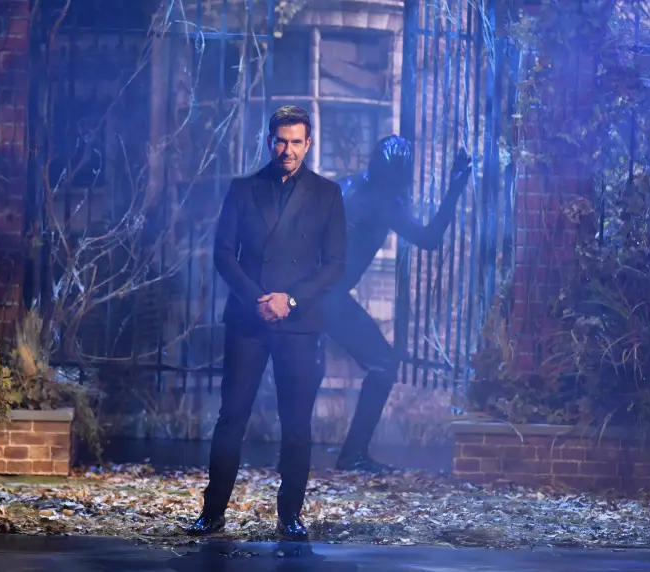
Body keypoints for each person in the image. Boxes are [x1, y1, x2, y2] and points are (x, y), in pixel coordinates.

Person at [187, 106, 346, 541]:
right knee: (231, 417)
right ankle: (212, 513)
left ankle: (290, 515)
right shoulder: (243, 189)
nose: (287, 150)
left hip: (299, 322)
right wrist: (256, 299)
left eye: (296, 142)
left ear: (308, 144)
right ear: (269, 141)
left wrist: (289, 300)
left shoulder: (328, 193)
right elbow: (223, 253)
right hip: (249, 319)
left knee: (296, 423)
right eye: (281, 141)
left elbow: (335, 264)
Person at [325, 136, 472, 473]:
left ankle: (346, 455)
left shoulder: (352, 189)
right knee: (382, 363)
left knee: (366, 363)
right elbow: (429, 238)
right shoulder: (375, 201)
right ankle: (351, 455)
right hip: (323, 294)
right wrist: (454, 190)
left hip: (320, 292)